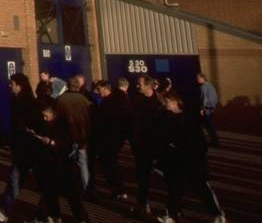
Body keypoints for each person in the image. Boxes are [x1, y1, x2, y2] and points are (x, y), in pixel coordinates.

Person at [155, 90, 225, 223]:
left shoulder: (189, 116)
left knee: (202, 187)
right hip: (178, 158)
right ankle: (170, 215)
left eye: (167, 102)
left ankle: (218, 214)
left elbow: (198, 138)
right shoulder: (166, 117)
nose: (165, 105)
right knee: (176, 188)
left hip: (193, 158)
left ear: (175, 102)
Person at [0, 73, 41, 223]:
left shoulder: (26, 103)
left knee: (42, 184)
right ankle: (4, 210)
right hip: (24, 149)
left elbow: (28, 127)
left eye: (12, 84)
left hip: (29, 149)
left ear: (19, 85)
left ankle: (45, 216)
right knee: (15, 180)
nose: (10, 86)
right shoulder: (18, 101)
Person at [31, 99, 90, 222]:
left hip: (63, 165)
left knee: (71, 195)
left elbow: (66, 145)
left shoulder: (63, 125)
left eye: (46, 116)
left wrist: (51, 142)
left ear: (52, 113)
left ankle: (82, 219)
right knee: (49, 192)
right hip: (50, 164)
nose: (44, 118)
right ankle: (53, 216)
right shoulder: (46, 124)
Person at [96, 79, 133, 201]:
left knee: (110, 164)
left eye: (99, 89)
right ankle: (117, 189)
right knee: (111, 163)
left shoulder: (109, 102)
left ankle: (118, 189)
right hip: (112, 138)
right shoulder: (111, 101)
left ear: (105, 88)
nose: (98, 92)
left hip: (109, 139)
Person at [131, 74, 161, 218]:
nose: (137, 86)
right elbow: (134, 124)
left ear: (148, 86)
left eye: (139, 84)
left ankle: (174, 209)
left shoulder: (160, 101)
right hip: (142, 147)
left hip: (158, 146)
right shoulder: (137, 100)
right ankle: (143, 206)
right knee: (142, 178)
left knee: (166, 178)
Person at [56, 74, 93, 193]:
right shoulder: (85, 100)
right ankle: (86, 187)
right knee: (83, 164)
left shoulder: (60, 100)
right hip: (82, 136)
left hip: (66, 137)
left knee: (65, 163)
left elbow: (57, 119)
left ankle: (67, 186)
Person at [196, 73, 219, 147]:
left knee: (209, 126)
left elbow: (204, 99)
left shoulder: (203, 87)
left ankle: (214, 141)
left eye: (198, 78)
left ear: (203, 78)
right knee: (210, 125)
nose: (197, 80)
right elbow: (215, 98)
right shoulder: (211, 86)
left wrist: (202, 109)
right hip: (212, 108)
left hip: (207, 109)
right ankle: (214, 140)